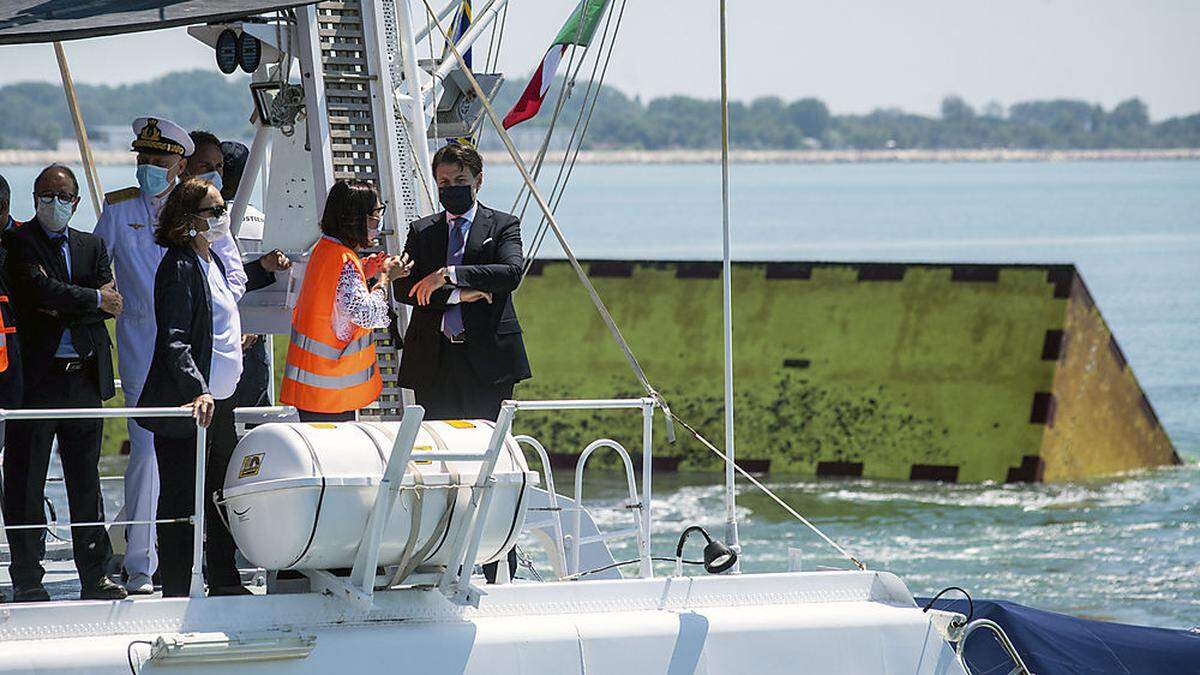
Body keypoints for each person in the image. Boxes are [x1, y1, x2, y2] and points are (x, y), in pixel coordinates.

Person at [94, 116, 247, 595]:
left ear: (179, 164)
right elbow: (97, 264)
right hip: (143, 348)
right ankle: (142, 564)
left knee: (208, 474)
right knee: (145, 454)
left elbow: (235, 277)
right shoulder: (120, 211)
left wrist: (218, 318)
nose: (148, 168)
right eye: (143, 159)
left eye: (158, 160)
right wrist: (104, 292)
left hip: (203, 358)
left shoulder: (204, 212)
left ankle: (212, 566)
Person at [2, 164, 127, 601]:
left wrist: (73, 303)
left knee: (85, 481)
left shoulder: (91, 245)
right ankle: (28, 579)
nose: (54, 203)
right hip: (37, 381)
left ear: (76, 201)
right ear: (34, 198)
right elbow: (38, 292)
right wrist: (90, 299)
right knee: (26, 482)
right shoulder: (18, 243)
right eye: (45, 195)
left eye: (62, 196)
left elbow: (112, 304)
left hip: (84, 381)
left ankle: (96, 575)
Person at [136, 177, 246, 597]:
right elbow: (174, 337)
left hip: (222, 401)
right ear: (189, 220)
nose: (223, 217)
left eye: (223, 208)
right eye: (214, 211)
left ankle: (224, 577)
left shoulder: (212, 259)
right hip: (194, 405)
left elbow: (214, 321)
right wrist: (197, 388)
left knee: (220, 494)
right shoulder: (179, 265)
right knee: (182, 498)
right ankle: (178, 587)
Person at [396, 143, 531, 421]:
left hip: (488, 358)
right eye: (444, 182)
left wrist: (448, 274)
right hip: (433, 359)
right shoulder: (421, 231)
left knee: (488, 442)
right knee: (437, 445)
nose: (451, 187)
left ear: (478, 180)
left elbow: (510, 273)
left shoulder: (503, 225)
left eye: (460, 180)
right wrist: (459, 295)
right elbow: (405, 289)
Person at [279, 180, 408, 421]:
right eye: (374, 216)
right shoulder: (345, 261)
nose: (377, 223)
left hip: (314, 388)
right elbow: (366, 313)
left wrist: (368, 268)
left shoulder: (326, 248)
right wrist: (385, 278)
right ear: (355, 219)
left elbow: (337, 292)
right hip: (330, 392)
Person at [215, 139, 291, 409]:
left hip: (219, 335)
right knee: (254, 414)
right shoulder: (263, 223)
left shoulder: (210, 222)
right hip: (257, 334)